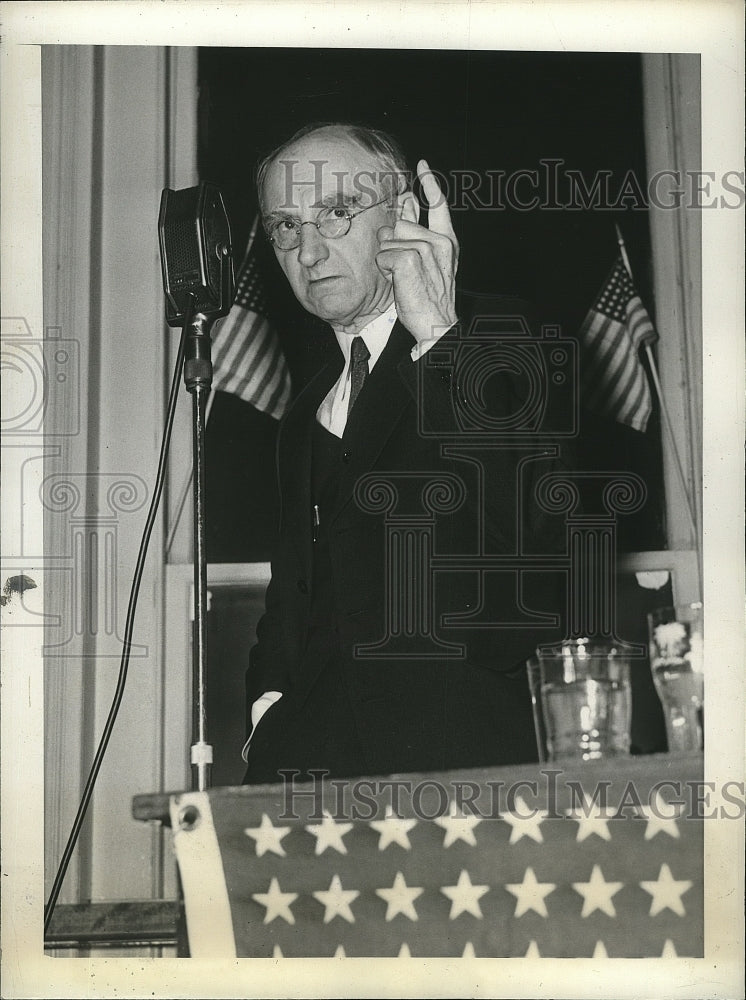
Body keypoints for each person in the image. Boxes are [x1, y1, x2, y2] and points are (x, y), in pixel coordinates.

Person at [242, 122, 569, 784]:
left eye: (335, 213)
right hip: (309, 783)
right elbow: (296, 592)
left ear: (406, 215)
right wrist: (265, 714)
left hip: (461, 779)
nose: (307, 251)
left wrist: (439, 340)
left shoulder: (506, 344)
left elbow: (524, 576)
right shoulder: (305, 410)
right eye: (284, 225)